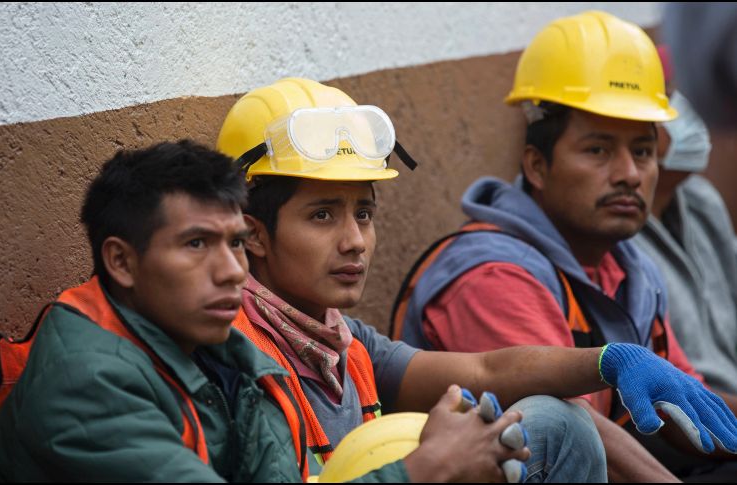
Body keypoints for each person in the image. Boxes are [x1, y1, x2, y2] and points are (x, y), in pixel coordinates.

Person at [217, 77, 737, 483]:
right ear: (254, 234)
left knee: (557, 422)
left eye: (365, 214)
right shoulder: (232, 356)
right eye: (323, 216)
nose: (354, 240)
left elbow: (487, 368)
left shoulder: (343, 341)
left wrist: (609, 361)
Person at [0, 141, 527, 482]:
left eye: (235, 243)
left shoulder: (229, 350)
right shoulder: (86, 383)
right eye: (197, 245)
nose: (231, 271)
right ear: (121, 261)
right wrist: (424, 470)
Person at [392, 10, 737, 482]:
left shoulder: (627, 265)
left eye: (641, 151)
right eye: (598, 150)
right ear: (536, 166)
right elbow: (579, 435)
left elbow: (688, 407)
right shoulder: (492, 275)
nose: (629, 174)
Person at [630, 49, 737, 479]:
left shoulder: (700, 199)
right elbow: (669, 401)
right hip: (693, 442)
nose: (688, 115)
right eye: (672, 99)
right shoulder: (610, 236)